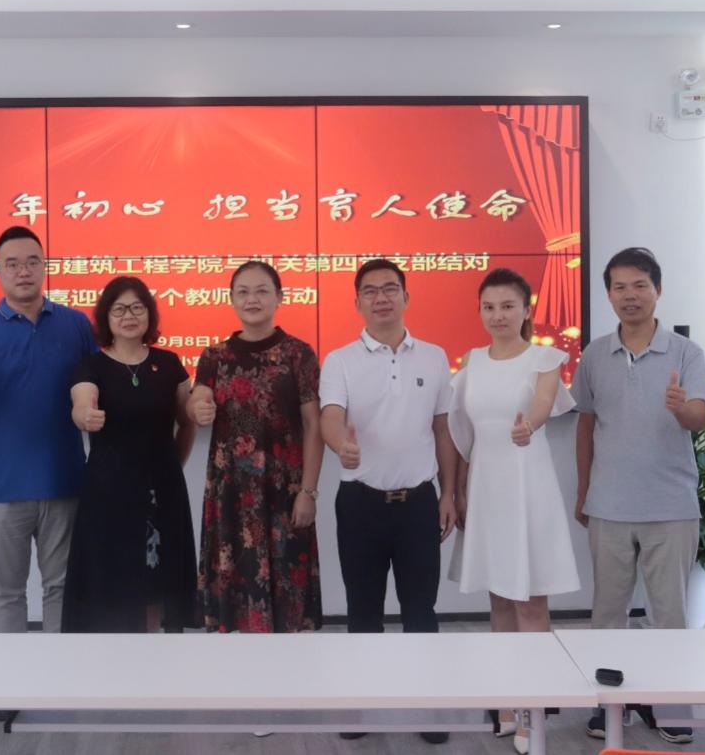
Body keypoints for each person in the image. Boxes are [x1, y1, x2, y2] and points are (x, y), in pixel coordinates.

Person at [319, 258, 457, 747]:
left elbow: (442, 429)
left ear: (405, 296)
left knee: (421, 610)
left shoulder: (434, 357)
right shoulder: (339, 360)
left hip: (418, 503)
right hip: (360, 504)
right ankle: (360, 704)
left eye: (390, 289)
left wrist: (449, 492)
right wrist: (341, 444)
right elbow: (330, 415)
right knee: (363, 610)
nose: (381, 298)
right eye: (371, 291)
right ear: (357, 302)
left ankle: (429, 708)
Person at [572, 247, 705, 745]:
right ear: (609, 295)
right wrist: (584, 490)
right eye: (620, 287)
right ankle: (611, 705)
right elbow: (585, 426)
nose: (630, 296)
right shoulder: (593, 355)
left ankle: (669, 703)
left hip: (670, 506)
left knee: (668, 615)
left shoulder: (686, 353)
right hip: (609, 504)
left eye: (640, 285)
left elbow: (698, 418)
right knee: (607, 613)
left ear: (658, 290)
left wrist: (680, 407)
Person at [447, 268, 578, 755]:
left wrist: (529, 427)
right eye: (489, 307)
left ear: (526, 309)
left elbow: (542, 404)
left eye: (507, 306)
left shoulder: (545, 358)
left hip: (528, 484)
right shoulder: (472, 361)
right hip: (487, 486)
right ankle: (506, 702)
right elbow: (463, 435)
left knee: (530, 601)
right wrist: (459, 489)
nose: (498, 315)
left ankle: (532, 709)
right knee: (499, 598)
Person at [0, 226, 97, 641]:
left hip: (64, 480)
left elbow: (99, 378)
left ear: (44, 267)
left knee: (62, 588)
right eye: (12, 264)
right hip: (2, 486)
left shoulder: (75, 324)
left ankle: (60, 673)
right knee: (6, 593)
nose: (23, 271)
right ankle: (8, 677)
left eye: (32, 262)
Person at [187, 261, 322, 633]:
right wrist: (197, 407)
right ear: (231, 299)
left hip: (284, 494)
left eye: (262, 291)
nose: (252, 299)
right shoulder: (214, 357)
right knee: (233, 605)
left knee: (287, 606)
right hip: (230, 495)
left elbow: (313, 426)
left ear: (279, 297)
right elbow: (198, 399)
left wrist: (309, 491)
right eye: (243, 292)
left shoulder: (299, 354)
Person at [62, 276, 198, 633]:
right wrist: (85, 416)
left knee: (156, 581)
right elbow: (82, 402)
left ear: (149, 315)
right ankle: (112, 658)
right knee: (112, 580)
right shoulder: (91, 366)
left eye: (137, 308)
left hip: (161, 491)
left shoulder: (169, 363)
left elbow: (187, 420)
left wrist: (173, 466)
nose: (129, 316)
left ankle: (152, 652)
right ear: (106, 317)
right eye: (119, 309)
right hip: (108, 492)